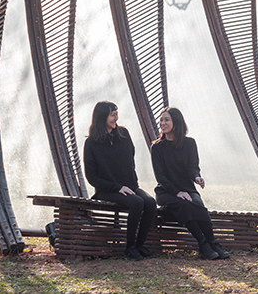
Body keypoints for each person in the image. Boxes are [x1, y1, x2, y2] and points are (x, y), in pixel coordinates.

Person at [151, 106, 230, 260]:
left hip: (187, 189)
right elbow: (161, 177)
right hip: (166, 192)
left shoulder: (189, 143)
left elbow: (192, 168)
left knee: (198, 204)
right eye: (161, 120)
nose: (163, 123)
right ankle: (203, 244)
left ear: (177, 122)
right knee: (185, 205)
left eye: (167, 120)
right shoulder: (157, 147)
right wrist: (177, 193)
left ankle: (212, 244)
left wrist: (197, 178)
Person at [83, 101, 157, 261]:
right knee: (136, 203)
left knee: (150, 203)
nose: (116, 117)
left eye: (116, 113)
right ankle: (130, 248)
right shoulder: (91, 143)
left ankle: (140, 245)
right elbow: (92, 177)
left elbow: (131, 158)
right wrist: (117, 187)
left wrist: (130, 183)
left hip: (129, 187)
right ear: (102, 117)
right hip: (107, 190)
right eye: (112, 114)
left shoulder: (123, 134)